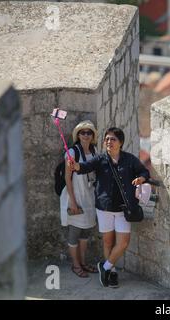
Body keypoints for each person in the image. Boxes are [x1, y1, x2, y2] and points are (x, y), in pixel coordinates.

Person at [68, 127, 150, 288]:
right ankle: (111, 272)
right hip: (104, 207)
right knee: (107, 242)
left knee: (123, 242)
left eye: (113, 139)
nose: (109, 142)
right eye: (107, 139)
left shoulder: (129, 159)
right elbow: (84, 167)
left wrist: (140, 178)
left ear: (120, 143)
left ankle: (104, 267)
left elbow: (144, 172)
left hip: (123, 209)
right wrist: (75, 166)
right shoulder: (100, 159)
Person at [60, 120, 99, 278]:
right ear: (78, 135)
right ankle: (75, 265)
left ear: (92, 136)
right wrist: (73, 201)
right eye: (83, 132)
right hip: (75, 196)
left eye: (89, 132)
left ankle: (83, 262)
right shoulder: (72, 153)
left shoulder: (95, 151)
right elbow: (68, 178)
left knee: (86, 233)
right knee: (74, 232)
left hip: (89, 197)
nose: (86, 135)